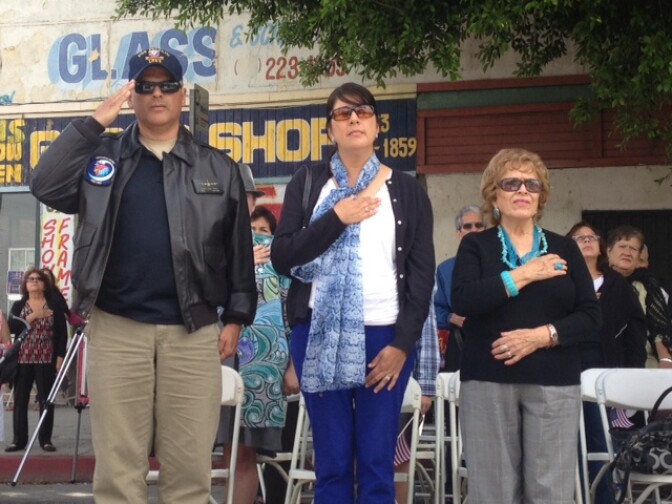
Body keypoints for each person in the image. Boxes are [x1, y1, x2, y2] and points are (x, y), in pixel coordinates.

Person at [30, 48, 256, 503]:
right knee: (118, 474)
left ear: (182, 94)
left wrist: (235, 316)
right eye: (146, 85)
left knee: (190, 474)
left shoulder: (218, 167)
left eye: (167, 85)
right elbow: (44, 184)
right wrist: (94, 123)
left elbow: (238, 251)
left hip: (192, 333)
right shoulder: (102, 160)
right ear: (131, 94)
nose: (158, 94)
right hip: (117, 329)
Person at [271, 82, 435, 503]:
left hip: (385, 338)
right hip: (320, 335)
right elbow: (283, 256)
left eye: (363, 112)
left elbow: (421, 277)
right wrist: (337, 218)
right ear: (331, 130)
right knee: (333, 463)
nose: (354, 120)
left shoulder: (408, 191)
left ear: (378, 126)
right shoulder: (309, 183)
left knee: (377, 463)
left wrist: (402, 344)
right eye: (343, 114)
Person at [452, 148, 600, 503]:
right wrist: (525, 273)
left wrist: (541, 337)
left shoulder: (566, 248)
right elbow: (464, 300)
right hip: (488, 381)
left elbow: (590, 317)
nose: (522, 190)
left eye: (531, 184)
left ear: (541, 196)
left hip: (554, 383)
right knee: (493, 493)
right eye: (511, 182)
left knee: (551, 492)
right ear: (495, 195)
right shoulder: (476, 246)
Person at [217, 166, 296, 504]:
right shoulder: (210, 241)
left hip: (258, 367)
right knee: (212, 452)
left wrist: (296, 361)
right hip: (212, 357)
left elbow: (291, 309)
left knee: (244, 453)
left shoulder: (278, 252)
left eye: (245, 196)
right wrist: (238, 265)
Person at [567, 221, 647, 504]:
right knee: (570, 441)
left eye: (592, 237)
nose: (587, 241)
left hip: (604, 371)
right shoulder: (561, 283)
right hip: (566, 369)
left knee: (601, 440)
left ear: (601, 246)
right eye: (579, 238)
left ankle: (603, 499)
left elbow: (636, 333)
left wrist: (632, 376)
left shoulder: (617, 285)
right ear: (568, 246)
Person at [5, 267, 67, 452]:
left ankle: (45, 439)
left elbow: (62, 334)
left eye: (38, 279)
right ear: (25, 284)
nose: (34, 282)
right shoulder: (19, 305)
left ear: (44, 284)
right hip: (23, 358)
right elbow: (13, 327)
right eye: (30, 279)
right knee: (20, 399)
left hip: (46, 357)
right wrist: (34, 316)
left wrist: (60, 357)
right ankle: (19, 440)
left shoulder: (53, 304)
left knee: (46, 400)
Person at [607, 225, 672, 368]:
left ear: (638, 257)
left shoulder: (649, 286)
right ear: (608, 251)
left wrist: (666, 360)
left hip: (643, 360)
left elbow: (660, 331)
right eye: (622, 246)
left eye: (633, 249)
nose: (627, 252)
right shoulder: (597, 281)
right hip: (602, 359)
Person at [435, 204, 485, 372]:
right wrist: (451, 317)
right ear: (459, 233)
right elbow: (432, 311)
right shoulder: (445, 270)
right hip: (459, 344)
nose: (474, 230)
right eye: (467, 226)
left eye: (479, 225)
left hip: (495, 342)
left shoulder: (500, 265)